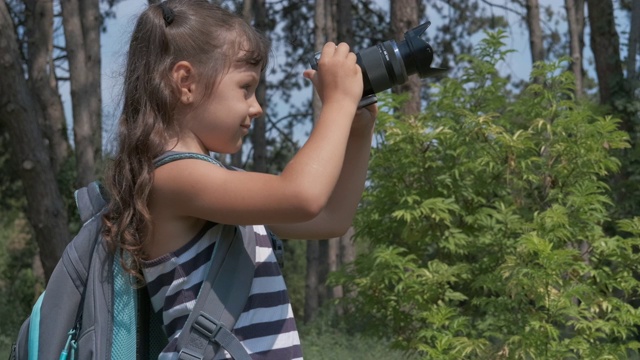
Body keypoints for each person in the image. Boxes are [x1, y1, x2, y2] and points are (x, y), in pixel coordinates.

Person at [102, 0, 377, 359]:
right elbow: (302, 195)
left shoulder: (220, 183)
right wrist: (338, 103)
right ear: (186, 82)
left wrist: (358, 132)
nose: (257, 107)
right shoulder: (171, 177)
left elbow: (330, 218)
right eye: (246, 88)